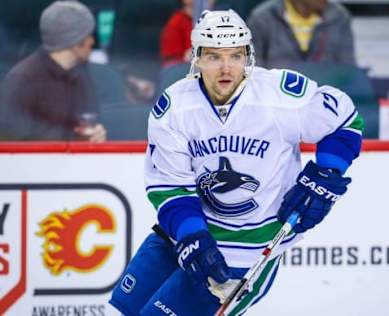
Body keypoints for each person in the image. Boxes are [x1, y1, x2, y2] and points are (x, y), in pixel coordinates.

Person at [110, 9, 363, 316]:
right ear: (197, 58)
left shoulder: (279, 97)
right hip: (180, 237)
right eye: (215, 57)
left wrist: (325, 174)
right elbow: (170, 186)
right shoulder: (175, 107)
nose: (226, 68)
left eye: (236, 56)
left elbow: (345, 120)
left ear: (248, 56)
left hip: (245, 251)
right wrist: (191, 236)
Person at [0, 0, 106, 141]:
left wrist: (94, 136)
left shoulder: (81, 75)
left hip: (79, 161)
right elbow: (8, 150)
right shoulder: (22, 80)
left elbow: (86, 122)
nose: (92, 41)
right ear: (74, 41)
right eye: (88, 35)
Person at [247, 0, 356, 68]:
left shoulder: (339, 17)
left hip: (325, 96)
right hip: (277, 97)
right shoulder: (262, 18)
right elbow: (254, 69)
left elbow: (348, 68)